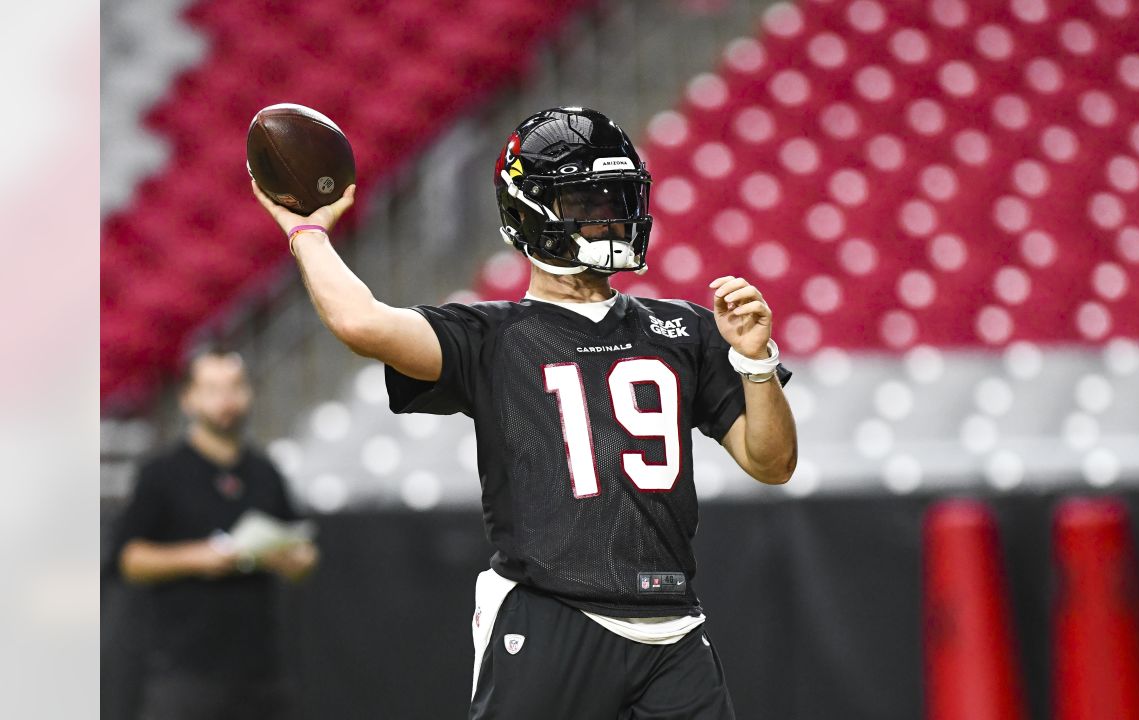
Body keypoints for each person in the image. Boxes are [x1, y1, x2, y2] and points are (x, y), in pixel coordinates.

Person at [252, 106, 798, 719]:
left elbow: (772, 462)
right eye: (584, 204)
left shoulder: (683, 327)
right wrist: (308, 233)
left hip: (671, 623)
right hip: (550, 614)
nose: (608, 217)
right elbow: (361, 321)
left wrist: (755, 364)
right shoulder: (492, 335)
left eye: (615, 198)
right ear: (528, 215)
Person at [111, 349, 318, 720]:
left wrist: (285, 557)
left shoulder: (265, 472)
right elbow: (129, 560)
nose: (226, 399)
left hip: (262, 675)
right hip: (185, 674)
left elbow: (304, 556)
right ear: (188, 399)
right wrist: (201, 556)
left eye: (235, 387)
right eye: (212, 389)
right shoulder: (162, 473)